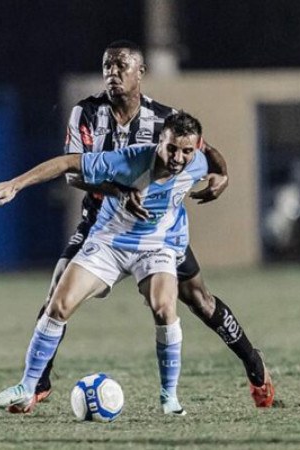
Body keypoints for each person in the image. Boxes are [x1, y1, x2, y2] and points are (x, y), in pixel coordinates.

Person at [24, 40, 274, 408]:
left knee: (199, 301)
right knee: (54, 298)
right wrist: (120, 191)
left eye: (121, 66)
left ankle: (255, 365)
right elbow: (73, 174)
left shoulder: (164, 118)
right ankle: (36, 387)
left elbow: (205, 150)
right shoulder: (86, 113)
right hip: (101, 223)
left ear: (139, 73)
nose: (112, 73)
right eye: (107, 66)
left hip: (157, 231)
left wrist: (223, 173)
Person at [0, 111, 209, 415]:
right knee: (58, 305)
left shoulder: (198, 163)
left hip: (156, 246)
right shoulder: (128, 160)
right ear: (160, 142)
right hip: (109, 242)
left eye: (186, 151)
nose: (179, 158)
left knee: (165, 307)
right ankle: (26, 388)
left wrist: (223, 175)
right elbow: (67, 163)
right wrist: (16, 183)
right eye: (172, 148)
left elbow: (213, 160)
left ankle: (169, 398)